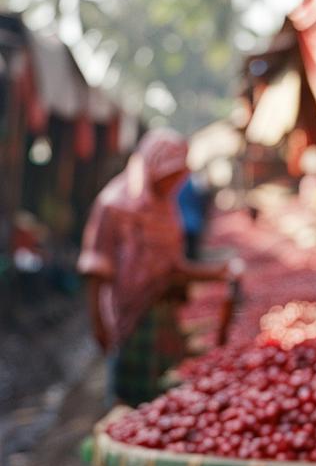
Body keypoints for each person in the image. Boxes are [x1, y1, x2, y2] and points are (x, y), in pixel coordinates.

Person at [78, 129, 237, 406]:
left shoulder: (166, 207)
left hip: (162, 311)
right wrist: (97, 323)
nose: (173, 182)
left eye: (177, 175)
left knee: (160, 389)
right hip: (129, 314)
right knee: (128, 393)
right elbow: (96, 267)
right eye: (168, 175)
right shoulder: (114, 204)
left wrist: (217, 272)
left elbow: (172, 267)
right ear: (150, 166)